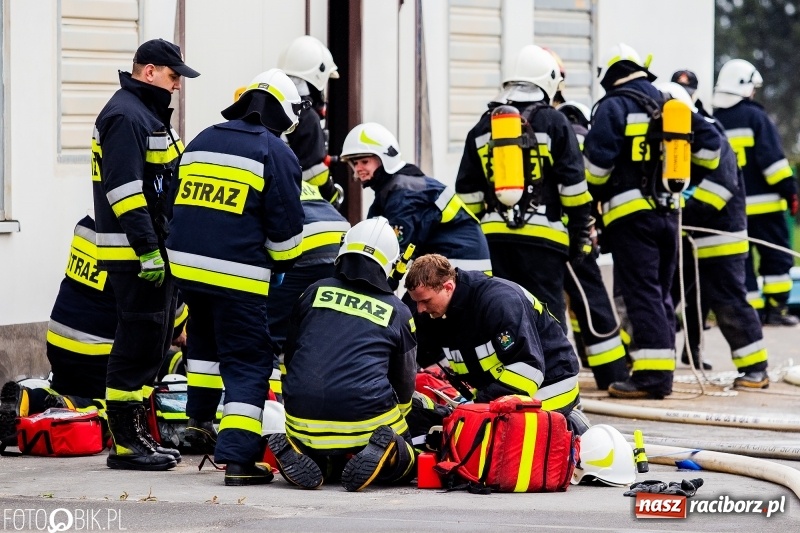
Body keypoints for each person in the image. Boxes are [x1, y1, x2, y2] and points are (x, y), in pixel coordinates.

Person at [166, 68, 306, 486]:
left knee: (205, 345)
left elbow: (177, 203)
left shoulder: (203, 138)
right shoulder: (274, 152)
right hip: (238, 277)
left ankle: (198, 423)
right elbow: (285, 226)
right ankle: (240, 460)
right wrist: (280, 268)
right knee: (249, 360)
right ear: (282, 113)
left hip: (187, 271)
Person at [583, 43, 721, 399]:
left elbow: (595, 170)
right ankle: (656, 371)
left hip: (631, 217)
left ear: (610, 75)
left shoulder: (613, 106)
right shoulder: (669, 103)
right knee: (659, 293)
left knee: (641, 292)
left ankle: (653, 379)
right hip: (669, 213)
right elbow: (711, 151)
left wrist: (595, 198)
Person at [91, 38, 199, 470]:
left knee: (151, 346)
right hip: (137, 257)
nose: (176, 87)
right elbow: (125, 193)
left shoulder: (145, 113)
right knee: (136, 346)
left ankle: (137, 436)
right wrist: (149, 252)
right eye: (173, 77)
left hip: (152, 254)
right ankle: (125, 443)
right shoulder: (125, 115)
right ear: (149, 71)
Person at [266, 217, 417, 492]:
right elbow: (405, 380)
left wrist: (294, 398)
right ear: (390, 263)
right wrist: (403, 422)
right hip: (365, 418)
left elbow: (291, 351)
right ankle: (390, 449)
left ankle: (303, 452)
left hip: (302, 416)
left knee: (322, 454)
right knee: (409, 462)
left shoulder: (312, 292)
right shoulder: (397, 311)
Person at [455, 44, 594, 331]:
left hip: (494, 242)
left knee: (502, 314)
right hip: (544, 242)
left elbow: (467, 195)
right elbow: (574, 187)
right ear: (548, 81)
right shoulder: (555, 121)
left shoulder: (482, 127)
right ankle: (554, 372)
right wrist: (581, 235)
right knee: (547, 319)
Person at [658, 81, 770, 389]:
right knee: (663, 298)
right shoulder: (679, 138)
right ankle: (646, 363)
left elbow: (722, 185)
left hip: (719, 237)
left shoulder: (709, 133)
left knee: (728, 302)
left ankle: (755, 369)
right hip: (690, 236)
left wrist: (686, 214)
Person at [405, 254, 588, 435]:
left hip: (550, 384)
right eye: (417, 302)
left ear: (448, 287)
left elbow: (527, 371)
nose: (420, 309)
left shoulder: (499, 301)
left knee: (508, 439)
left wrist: (478, 404)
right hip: (501, 389)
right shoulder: (443, 310)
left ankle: (571, 427)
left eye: (425, 301)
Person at [339, 122, 491, 277]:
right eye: (355, 163)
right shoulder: (395, 188)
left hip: (461, 265)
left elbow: (395, 249)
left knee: (414, 299)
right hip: (452, 264)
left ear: (385, 159)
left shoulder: (404, 193)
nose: (358, 168)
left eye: (365, 162)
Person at [712, 59, 799, 326]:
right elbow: (773, 163)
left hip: (731, 210)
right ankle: (776, 310)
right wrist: (791, 191)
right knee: (777, 257)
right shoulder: (756, 117)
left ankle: (752, 312)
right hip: (766, 209)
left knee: (742, 262)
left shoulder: (714, 121)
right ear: (744, 86)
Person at [555, 96, 630, 391]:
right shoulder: (585, 139)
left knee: (555, 304)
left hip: (544, 238)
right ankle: (612, 374)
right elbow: (592, 185)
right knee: (592, 301)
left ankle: (561, 371)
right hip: (578, 233)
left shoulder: (549, 133)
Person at [265, 181, 351, 401]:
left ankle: (274, 410)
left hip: (304, 244)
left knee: (266, 335)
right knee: (322, 328)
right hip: (342, 241)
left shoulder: (250, 175)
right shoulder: (292, 177)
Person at [279, 35, 343, 206]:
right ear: (317, 78)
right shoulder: (307, 117)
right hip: (300, 205)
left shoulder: (274, 105)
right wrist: (332, 197)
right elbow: (314, 173)